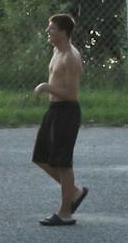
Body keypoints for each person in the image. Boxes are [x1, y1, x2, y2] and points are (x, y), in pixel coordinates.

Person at [31, 12, 88, 226]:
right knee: (41, 157)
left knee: (63, 163)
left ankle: (65, 214)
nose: (48, 31)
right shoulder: (56, 51)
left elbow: (72, 94)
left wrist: (46, 87)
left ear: (63, 33)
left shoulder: (71, 58)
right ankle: (74, 191)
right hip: (54, 110)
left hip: (67, 111)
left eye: (52, 29)